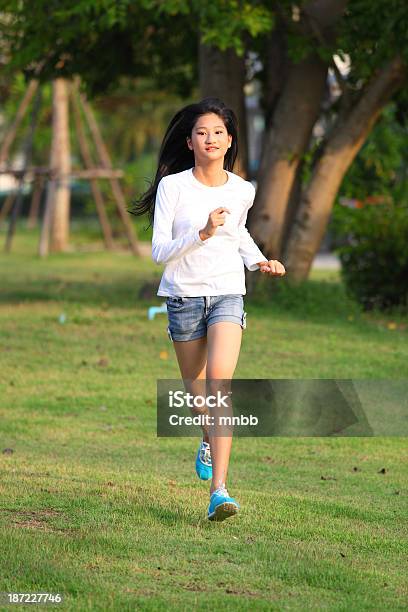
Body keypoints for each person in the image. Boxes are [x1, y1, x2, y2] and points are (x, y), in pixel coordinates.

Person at [131, 97, 285, 521]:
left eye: (218, 132)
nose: (210, 138)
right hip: (182, 296)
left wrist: (259, 261)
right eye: (202, 133)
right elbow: (160, 250)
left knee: (219, 386)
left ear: (229, 140)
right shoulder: (174, 187)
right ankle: (205, 436)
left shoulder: (242, 190)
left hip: (226, 293)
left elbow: (239, 234)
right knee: (199, 394)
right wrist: (201, 232)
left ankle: (219, 490)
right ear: (190, 141)